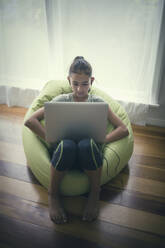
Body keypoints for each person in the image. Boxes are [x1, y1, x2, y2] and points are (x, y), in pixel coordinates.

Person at [24, 56, 129, 224]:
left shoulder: (98, 103)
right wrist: (49, 139)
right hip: (64, 154)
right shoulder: (60, 101)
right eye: (75, 84)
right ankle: (53, 194)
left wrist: (104, 139)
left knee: (86, 144)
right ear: (69, 81)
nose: (80, 90)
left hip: (89, 155)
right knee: (68, 145)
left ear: (92, 81)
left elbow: (124, 129)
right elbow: (30, 121)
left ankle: (95, 194)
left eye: (85, 84)